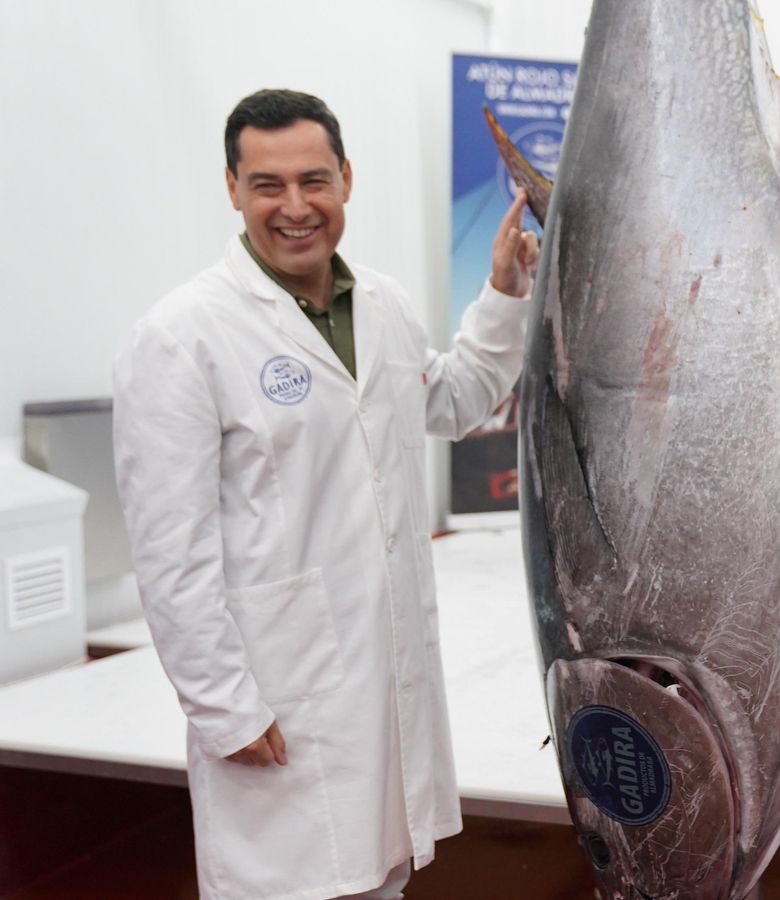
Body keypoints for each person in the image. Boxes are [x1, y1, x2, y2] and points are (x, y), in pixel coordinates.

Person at [112, 89, 539, 900]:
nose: (295, 206)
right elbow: (171, 556)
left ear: (346, 178)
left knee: (378, 876)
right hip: (279, 694)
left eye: (315, 180)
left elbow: (449, 400)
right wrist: (225, 709)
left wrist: (505, 293)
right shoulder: (180, 336)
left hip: (379, 678)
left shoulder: (380, 304)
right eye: (268, 184)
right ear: (233, 189)